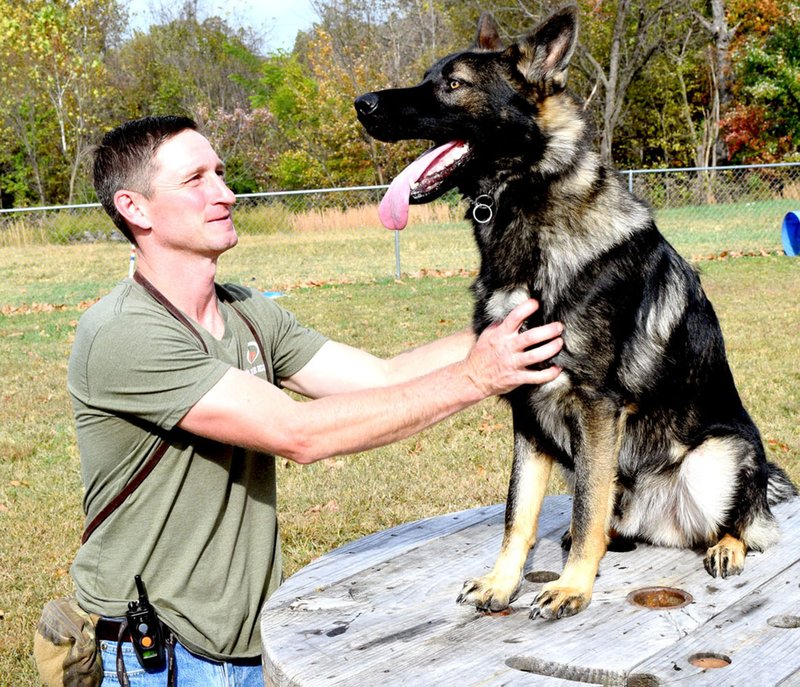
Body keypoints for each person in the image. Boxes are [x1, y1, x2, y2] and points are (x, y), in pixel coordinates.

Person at [66, 115, 563, 686]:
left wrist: (520, 328)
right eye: (196, 179)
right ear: (135, 208)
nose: (226, 194)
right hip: (156, 651)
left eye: (222, 174)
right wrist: (478, 378)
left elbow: (380, 377)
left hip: (252, 637)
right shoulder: (123, 333)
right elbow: (299, 434)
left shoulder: (247, 311)